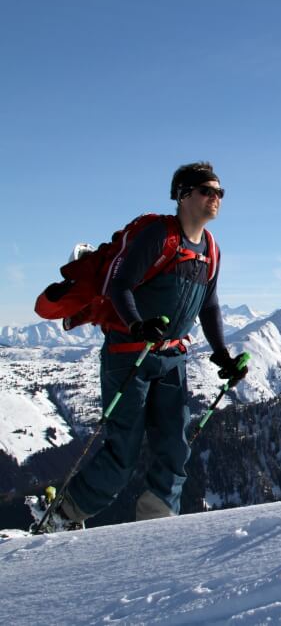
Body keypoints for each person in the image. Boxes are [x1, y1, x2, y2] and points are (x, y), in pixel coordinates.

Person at [52, 162, 247, 529]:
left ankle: (157, 530)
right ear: (183, 194)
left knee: (175, 447)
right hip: (130, 355)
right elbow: (119, 284)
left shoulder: (211, 249)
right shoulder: (159, 235)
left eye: (220, 192)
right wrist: (136, 325)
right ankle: (63, 514)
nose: (216, 198)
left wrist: (223, 356)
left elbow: (209, 304)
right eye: (208, 190)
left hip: (172, 357)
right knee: (123, 451)